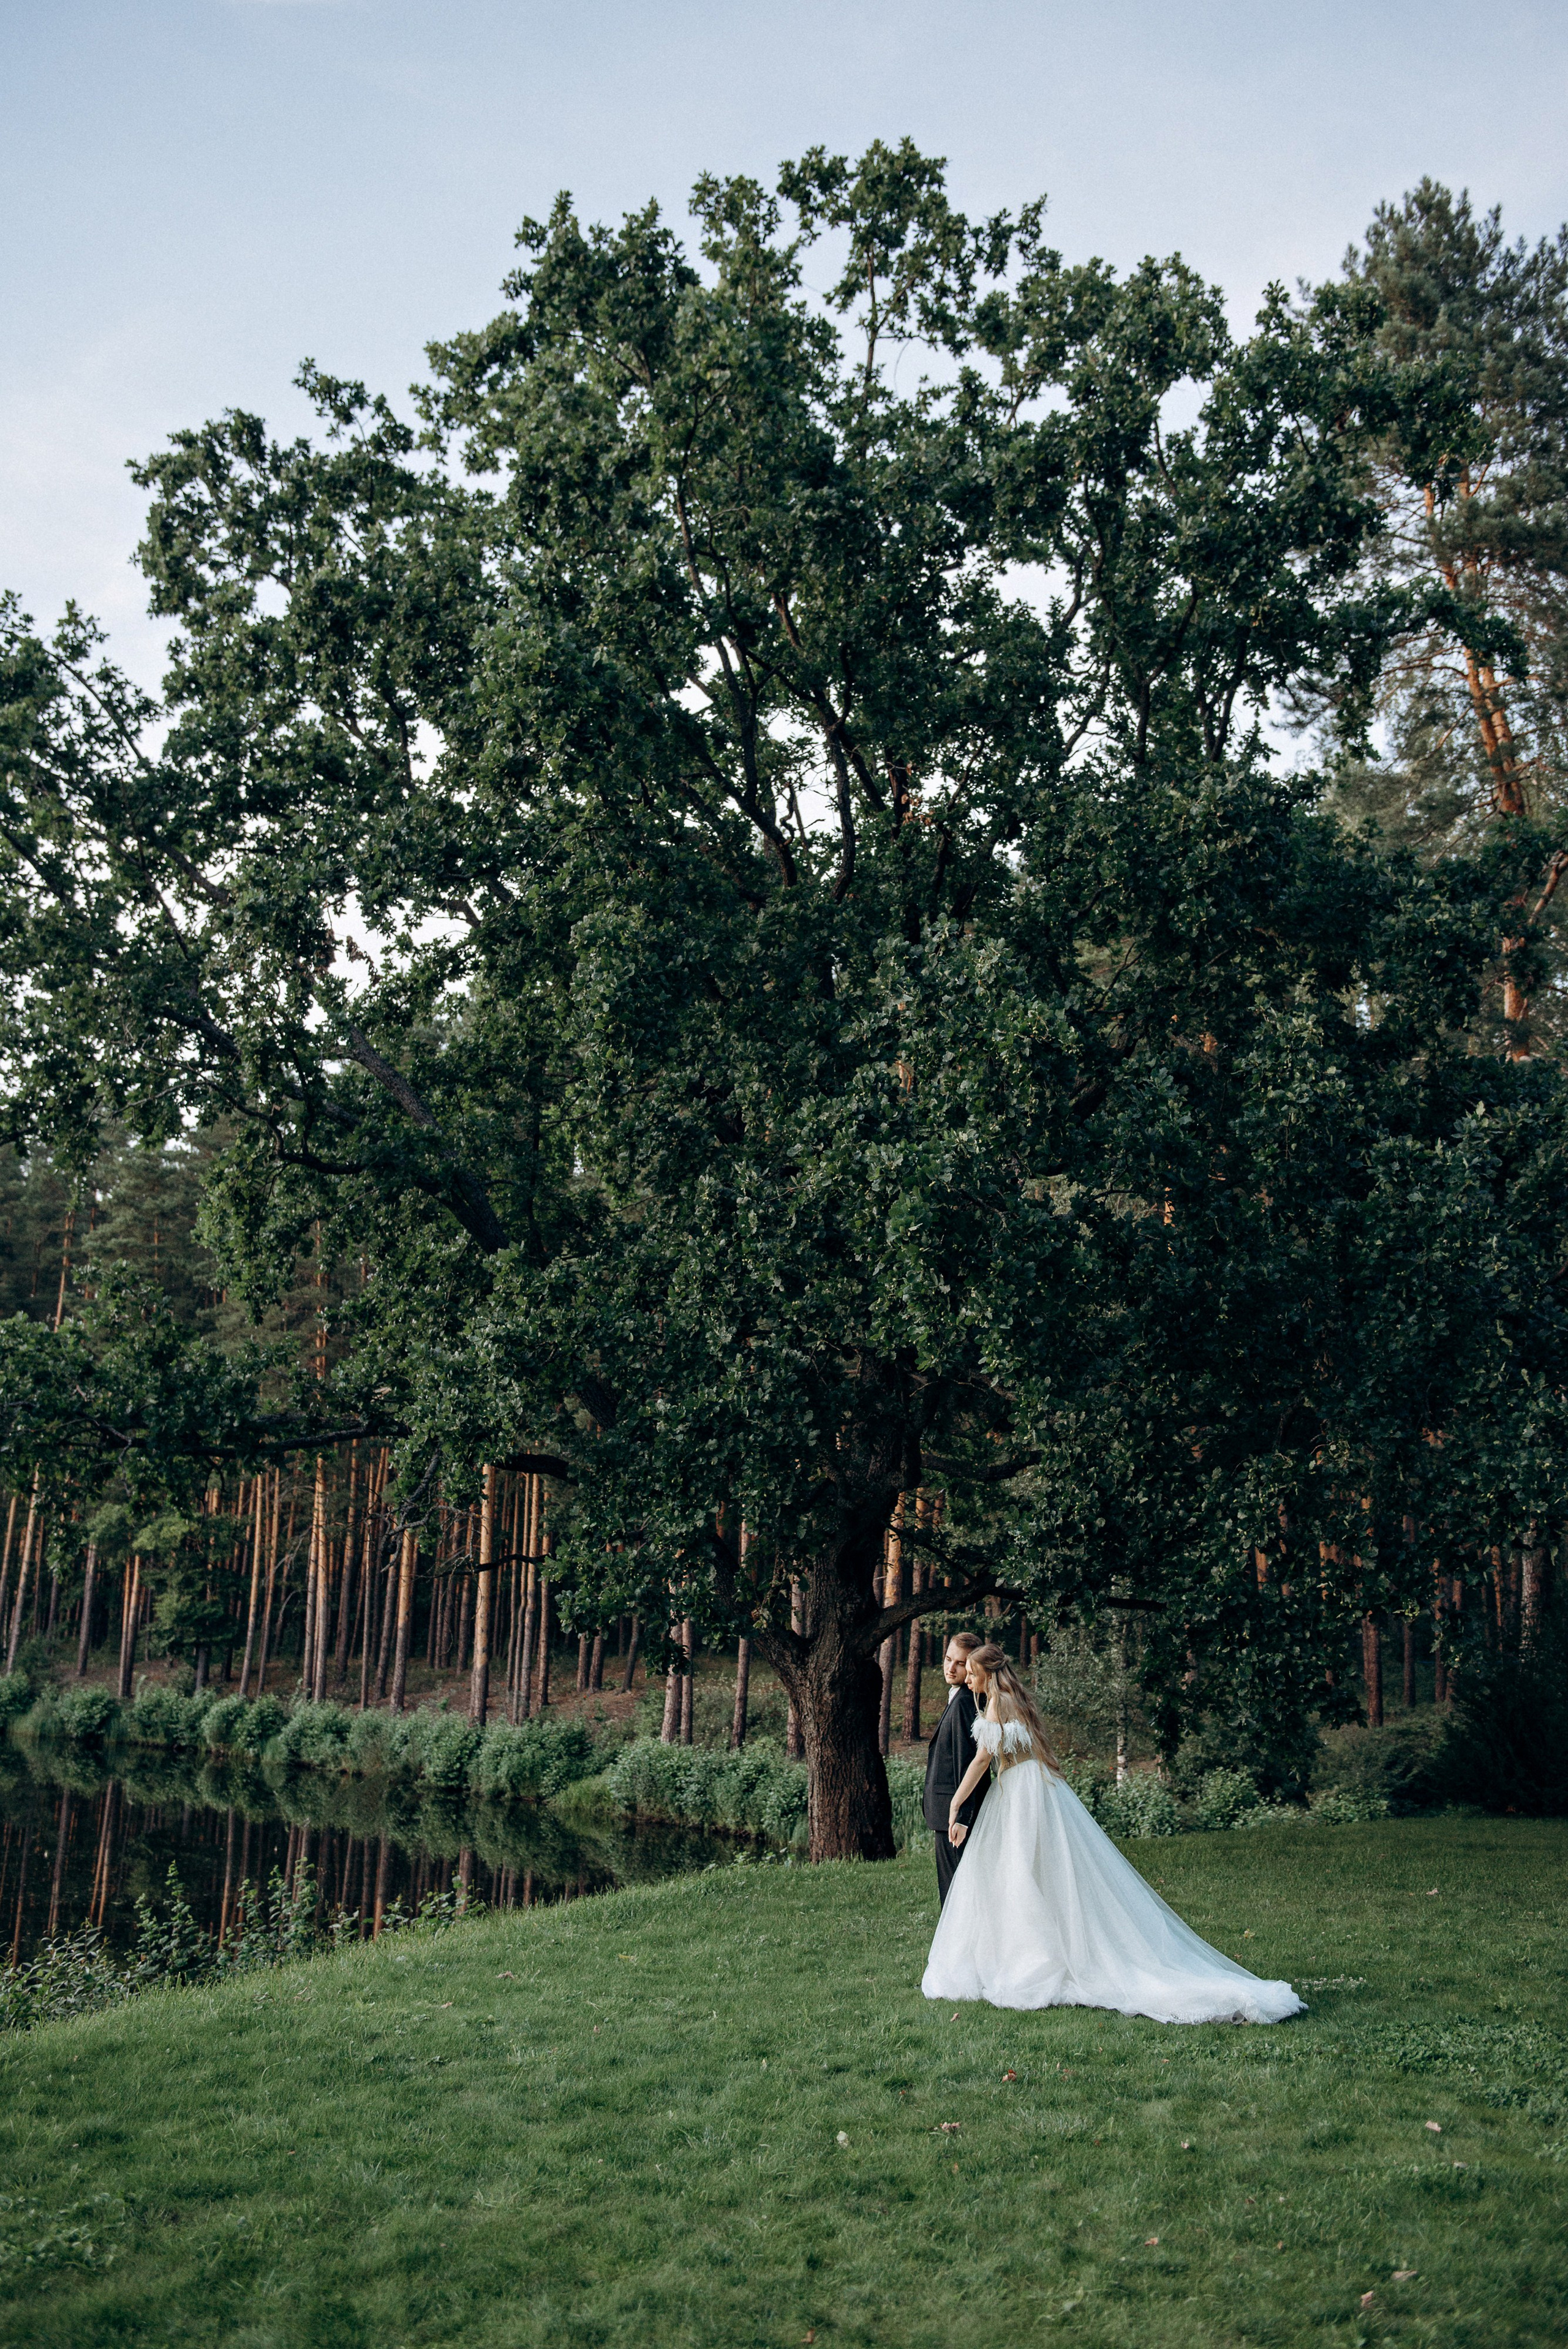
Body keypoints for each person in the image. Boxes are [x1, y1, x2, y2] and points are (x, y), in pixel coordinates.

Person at [921, 1642, 1305, 2025]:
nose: (967, 1677)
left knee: (1021, 1873)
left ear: (987, 1673)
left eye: (971, 1671)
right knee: (1031, 1873)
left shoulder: (996, 1703)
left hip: (1021, 1794)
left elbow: (983, 1758)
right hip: (1031, 1787)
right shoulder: (1009, 1698)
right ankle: (1034, 1951)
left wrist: (956, 1804)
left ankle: (1033, 1960)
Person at [922, 1632, 986, 1907]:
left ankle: (958, 1946)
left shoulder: (964, 1703)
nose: (950, 1668)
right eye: (948, 1659)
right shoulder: (959, 1697)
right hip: (947, 1811)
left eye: (960, 1664)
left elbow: (967, 1764)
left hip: (953, 1814)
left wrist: (961, 1816)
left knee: (954, 1890)